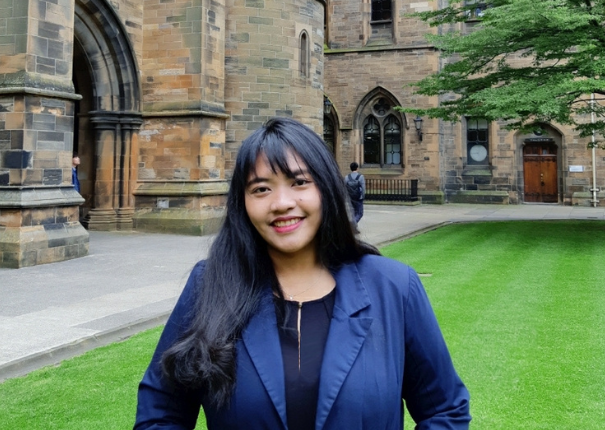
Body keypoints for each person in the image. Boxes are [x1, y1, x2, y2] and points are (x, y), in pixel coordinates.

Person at [134, 117, 470, 430]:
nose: (281, 202)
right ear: (243, 203)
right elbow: (160, 413)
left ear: (325, 188)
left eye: (299, 182)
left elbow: (445, 409)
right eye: (261, 189)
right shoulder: (210, 285)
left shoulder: (394, 287)